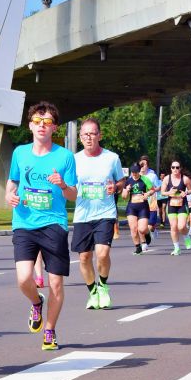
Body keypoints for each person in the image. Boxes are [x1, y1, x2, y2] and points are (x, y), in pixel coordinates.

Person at [6, 102, 77, 351]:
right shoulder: (20, 153)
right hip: (24, 222)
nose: (41, 126)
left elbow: (73, 195)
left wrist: (63, 185)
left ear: (54, 127)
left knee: (56, 283)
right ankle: (36, 303)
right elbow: (12, 183)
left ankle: (49, 330)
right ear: (30, 125)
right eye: (37, 121)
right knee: (24, 278)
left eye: (47, 122)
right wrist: (9, 196)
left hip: (53, 223)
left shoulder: (65, 157)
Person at [71, 118, 124, 310]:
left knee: (102, 254)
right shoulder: (74, 159)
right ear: (80, 137)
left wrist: (115, 187)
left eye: (92, 133)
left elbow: (121, 181)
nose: (89, 137)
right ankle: (92, 291)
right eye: (85, 134)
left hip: (105, 213)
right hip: (82, 214)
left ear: (100, 135)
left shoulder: (112, 158)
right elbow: (69, 185)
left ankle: (103, 285)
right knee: (84, 257)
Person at [161, 161, 191, 255]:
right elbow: (162, 192)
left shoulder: (185, 179)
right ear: (170, 168)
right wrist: (169, 193)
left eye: (177, 167)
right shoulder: (167, 178)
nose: (175, 169)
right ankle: (177, 248)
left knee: (181, 226)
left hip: (182, 205)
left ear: (180, 168)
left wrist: (186, 193)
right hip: (171, 205)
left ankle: (186, 236)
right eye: (173, 167)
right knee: (173, 227)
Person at [123, 163, 156, 255]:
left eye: (136, 172)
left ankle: (147, 233)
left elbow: (152, 190)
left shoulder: (145, 179)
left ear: (139, 171)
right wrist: (127, 190)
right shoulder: (128, 181)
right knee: (133, 228)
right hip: (131, 207)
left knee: (142, 229)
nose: (134, 174)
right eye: (133, 172)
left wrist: (148, 194)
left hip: (143, 207)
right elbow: (124, 197)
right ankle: (138, 247)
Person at [139, 156, 161, 241]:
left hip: (151, 203)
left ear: (147, 166)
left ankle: (153, 230)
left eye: (145, 164)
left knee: (150, 226)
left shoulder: (152, 176)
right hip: (140, 204)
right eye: (141, 164)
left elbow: (158, 187)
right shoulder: (135, 175)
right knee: (142, 226)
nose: (143, 166)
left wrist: (151, 191)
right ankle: (144, 244)